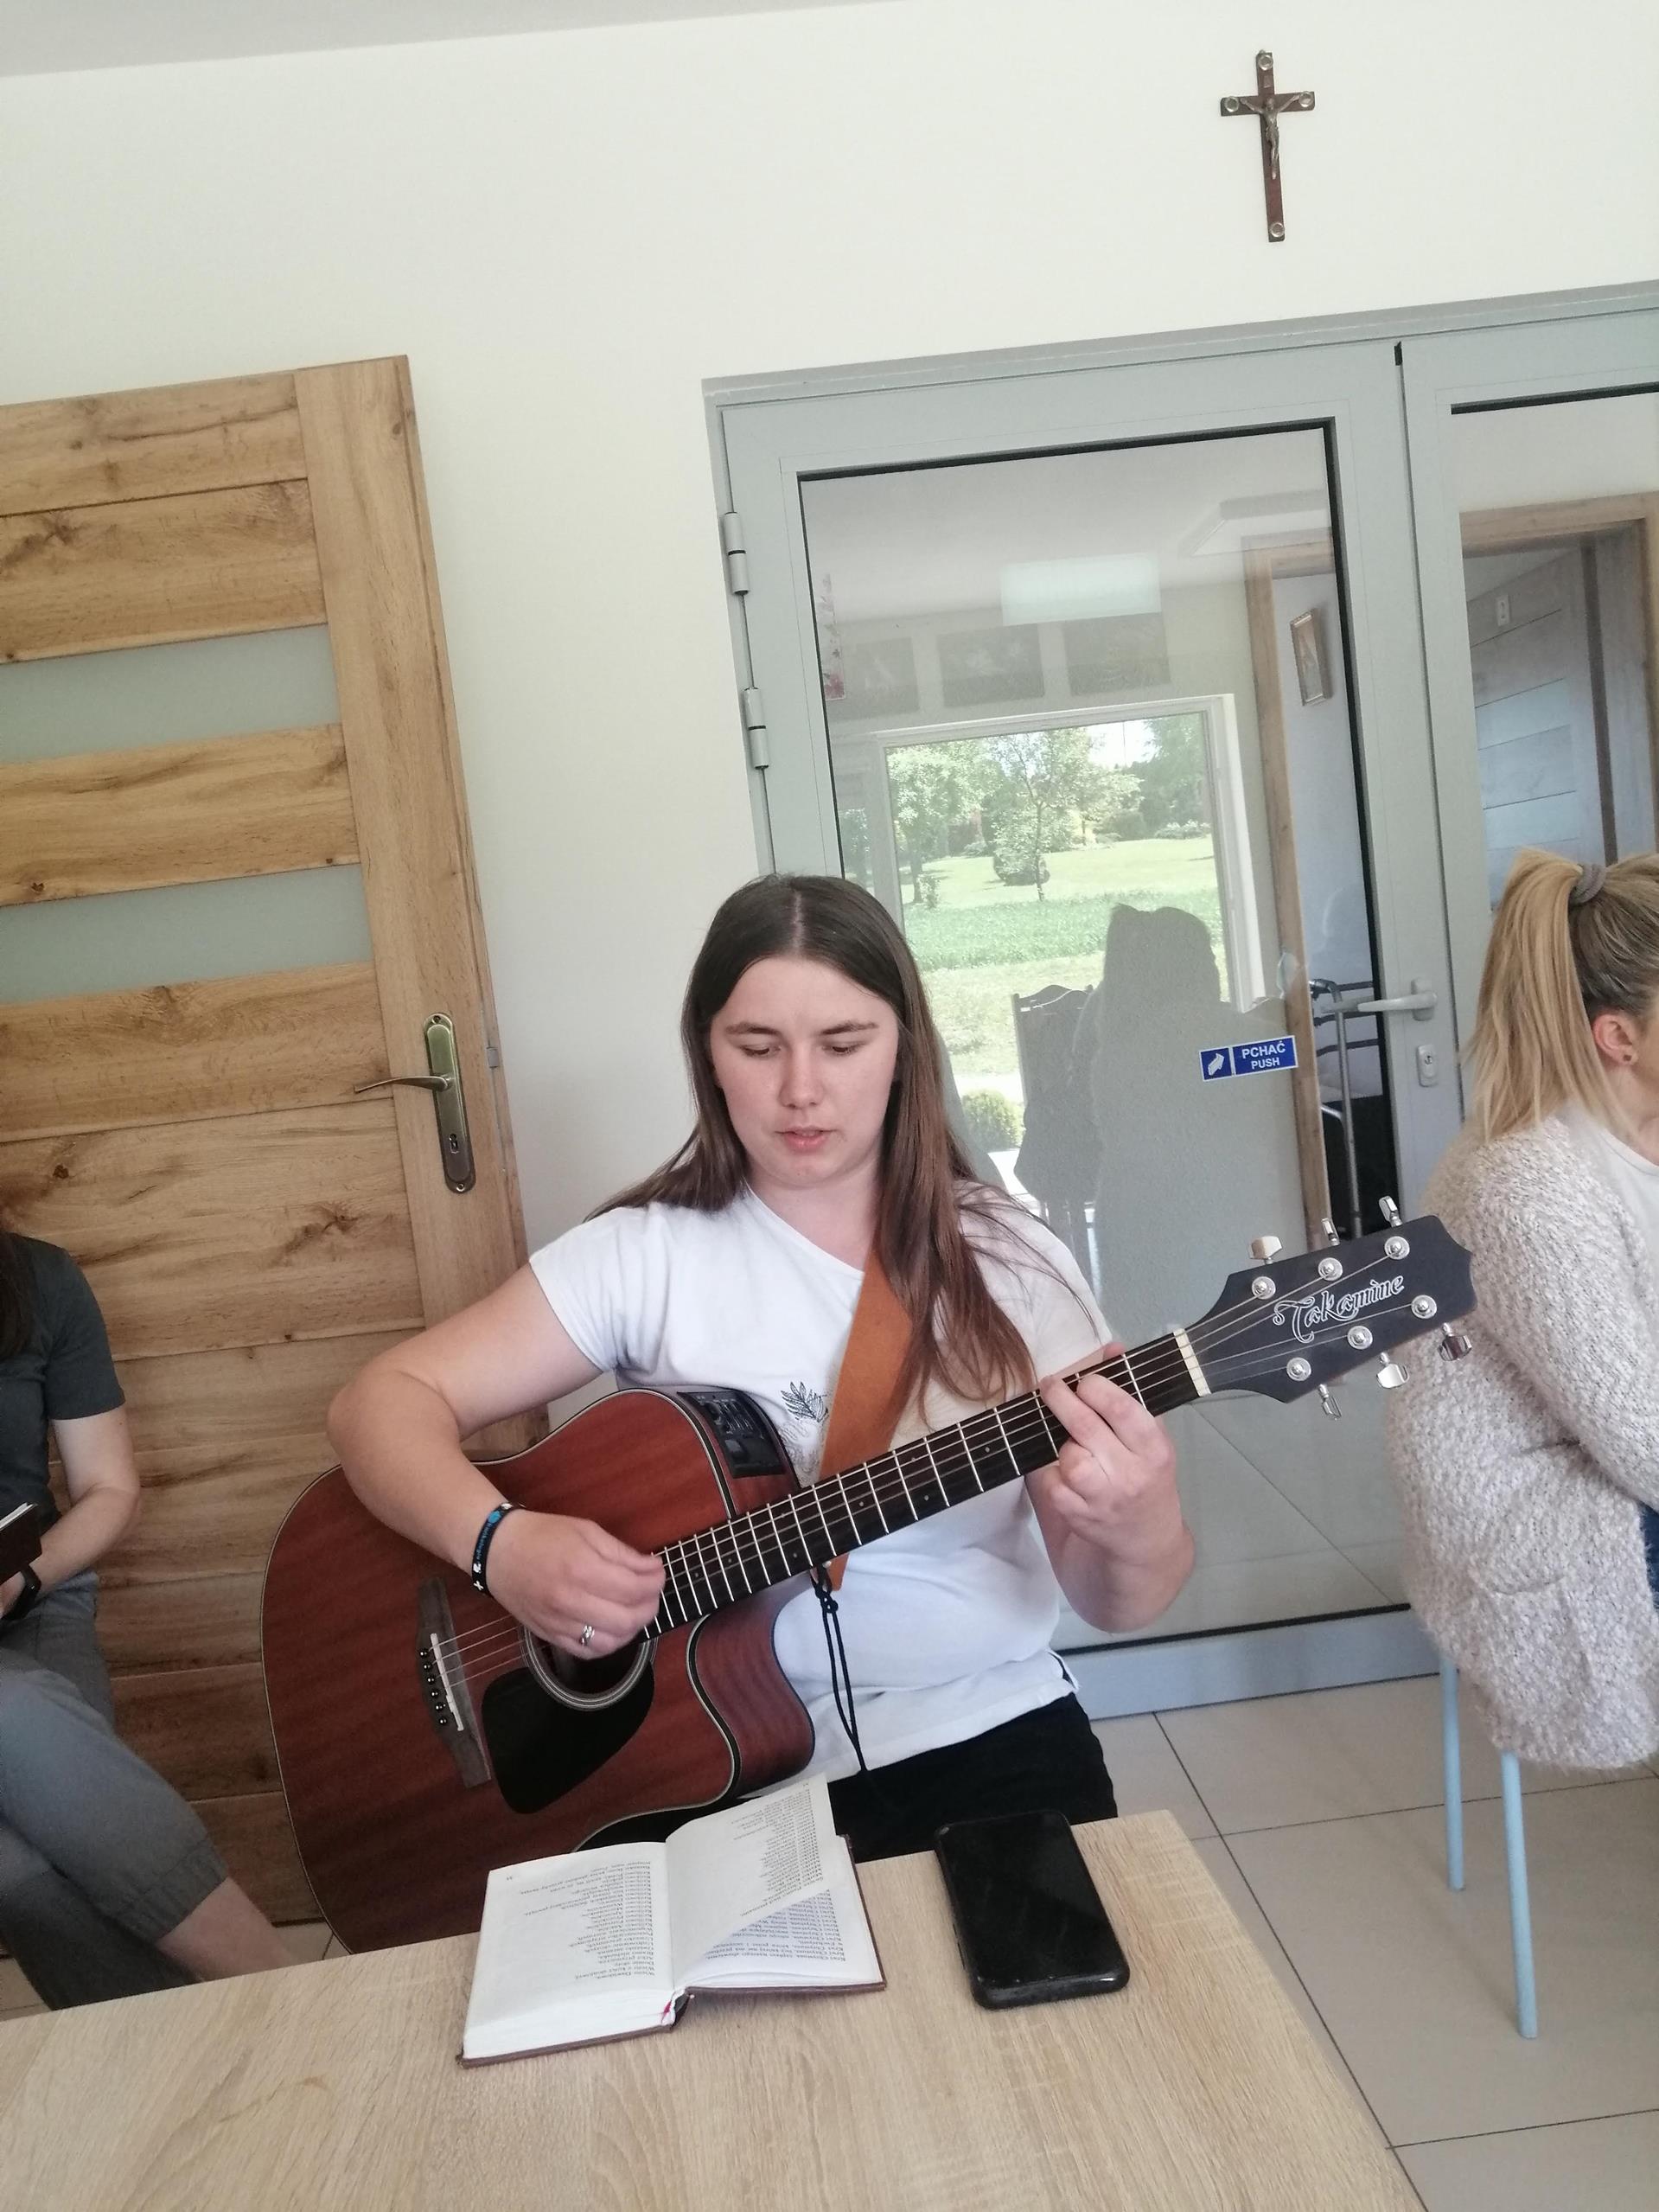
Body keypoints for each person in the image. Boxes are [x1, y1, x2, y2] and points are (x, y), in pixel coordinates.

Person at [329, 873, 1193, 1859]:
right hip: (683, 1753)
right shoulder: (643, 1255)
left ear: (905, 1049)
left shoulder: (1010, 1262)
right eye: (756, 1046)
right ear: (707, 1052)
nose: (800, 1090)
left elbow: (1120, 1602)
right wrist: (500, 1544)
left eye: (843, 1043)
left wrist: (1137, 1517)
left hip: (978, 1724)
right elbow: (376, 1404)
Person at [1386, 849, 1659, 1769]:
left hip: (1609, 1466)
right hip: (1537, 1517)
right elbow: (1647, 1444)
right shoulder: (1522, 1186)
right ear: (1618, 1037)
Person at [0, 1224, 293, 2006]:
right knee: (19, 1861)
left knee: (28, 1844)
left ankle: (239, 2026)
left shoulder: (39, 1279)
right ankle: (287, 1990)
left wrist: (20, 1580)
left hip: (30, 1602)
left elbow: (109, 1489)